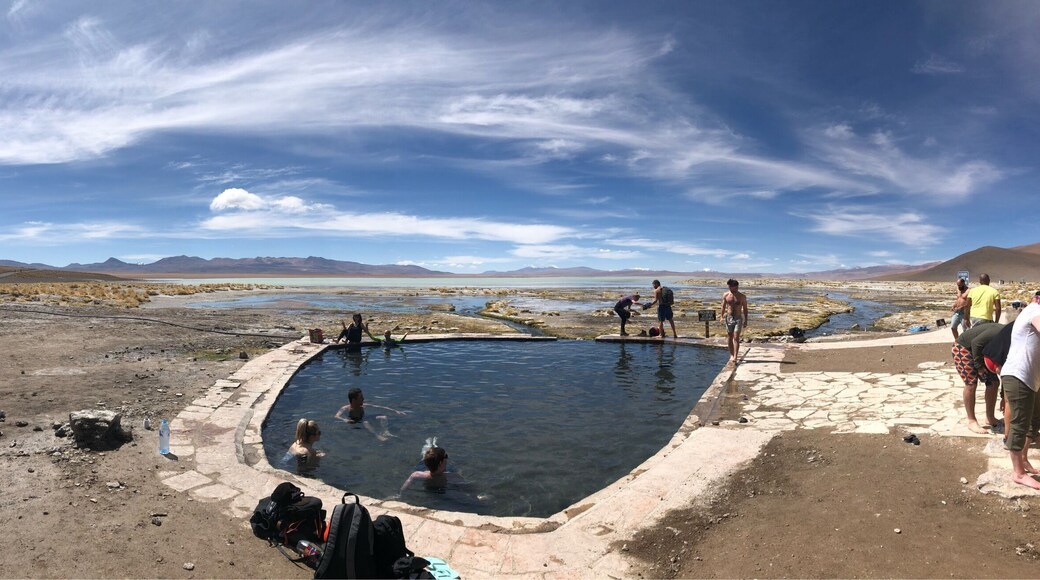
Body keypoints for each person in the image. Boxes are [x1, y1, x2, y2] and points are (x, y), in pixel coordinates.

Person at [1001, 290, 1040, 490]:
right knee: (1020, 423)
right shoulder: (1035, 310)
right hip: (1018, 375)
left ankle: (1023, 460)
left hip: (1031, 378)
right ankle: (1018, 473)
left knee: (1033, 420)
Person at [952, 321, 1003, 434]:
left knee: (993, 382)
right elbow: (976, 343)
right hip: (964, 347)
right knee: (971, 383)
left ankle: (990, 417)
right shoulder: (998, 331)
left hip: (983, 351)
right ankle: (971, 421)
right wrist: (979, 367)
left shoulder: (1011, 339)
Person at [335, 387, 403, 441]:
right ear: (353, 400)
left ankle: (385, 431)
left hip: (365, 418)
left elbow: (379, 406)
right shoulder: (345, 408)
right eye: (361, 397)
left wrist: (395, 411)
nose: (363, 399)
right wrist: (345, 420)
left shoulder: (362, 405)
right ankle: (377, 435)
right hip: (356, 421)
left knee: (383, 417)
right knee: (366, 422)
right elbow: (337, 416)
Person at [721, 279, 749, 364]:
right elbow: (723, 306)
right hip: (729, 317)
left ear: (736, 286)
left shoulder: (742, 296)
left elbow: (745, 309)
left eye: (731, 286)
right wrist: (721, 317)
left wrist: (745, 320)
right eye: (728, 286)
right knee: (730, 336)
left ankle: (735, 356)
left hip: (738, 318)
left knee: (736, 337)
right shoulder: (726, 295)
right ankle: (731, 355)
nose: (729, 288)